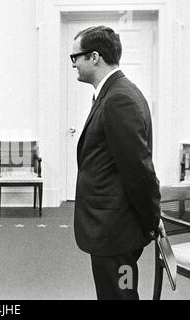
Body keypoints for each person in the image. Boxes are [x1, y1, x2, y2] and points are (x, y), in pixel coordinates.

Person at [71, 26, 165, 300]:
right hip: (111, 226)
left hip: (114, 229)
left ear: (95, 56)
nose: (74, 63)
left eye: (76, 56)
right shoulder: (113, 92)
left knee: (119, 295)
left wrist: (152, 217)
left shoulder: (118, 98)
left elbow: (138, 170)